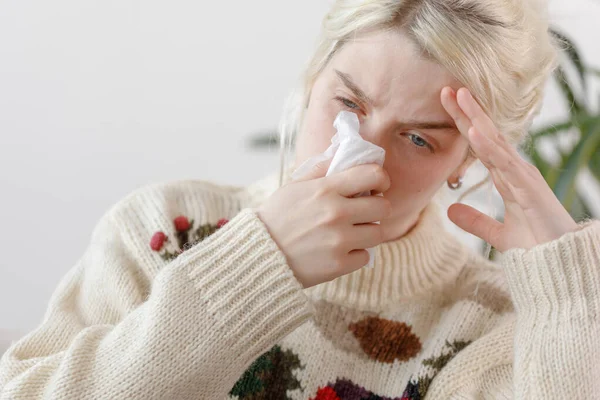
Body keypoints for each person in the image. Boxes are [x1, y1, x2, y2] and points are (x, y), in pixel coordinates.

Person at [1, 0, 599, 398]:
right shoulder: (160, 232)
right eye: (348, 104)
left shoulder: (489, 322)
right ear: (313, 78)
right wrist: (253, 267)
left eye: (418, 138)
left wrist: (570, 300)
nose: (362, 155)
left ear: (467, 161)